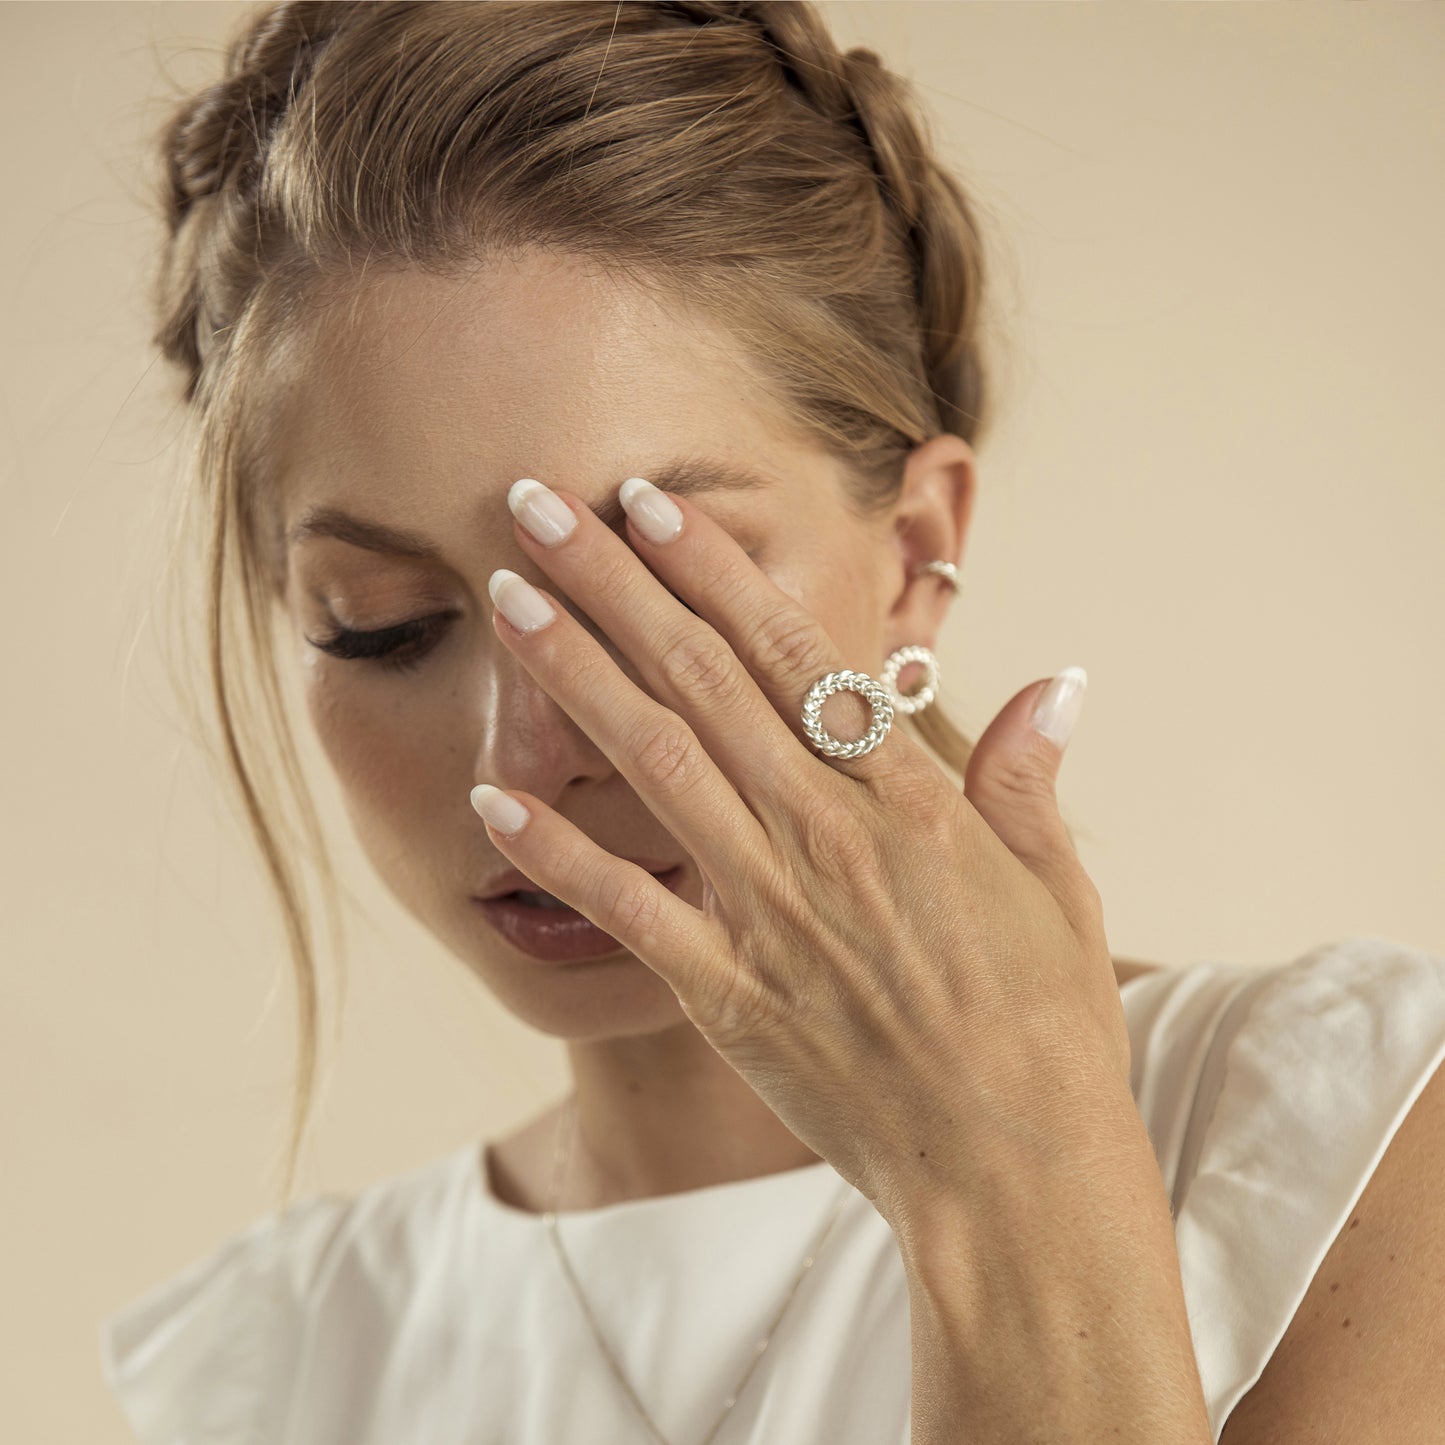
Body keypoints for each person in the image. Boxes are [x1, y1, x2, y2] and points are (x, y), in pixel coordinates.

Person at [98, 4, 1445, 1443]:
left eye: (639, 594)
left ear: (917, 548)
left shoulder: (1345, 1139)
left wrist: (1011, 1176)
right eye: (378, 622)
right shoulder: (275, 1361)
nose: (523, 764)